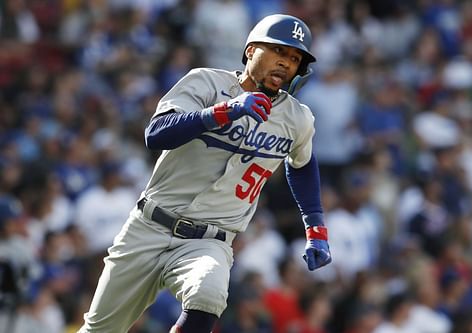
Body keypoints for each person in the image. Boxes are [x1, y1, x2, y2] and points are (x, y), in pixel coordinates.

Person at [78, 14, 332, 333]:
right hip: (149, 227)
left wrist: (315, 226)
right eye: (279, 51)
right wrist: (222, 112)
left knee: (209, 294)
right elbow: (156, 133)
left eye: (295, 59)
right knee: (99, 330)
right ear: (251, 49)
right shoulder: (206, 82)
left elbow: (302, 164)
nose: (286, 63)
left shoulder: (297, 119)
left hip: (210, 240)